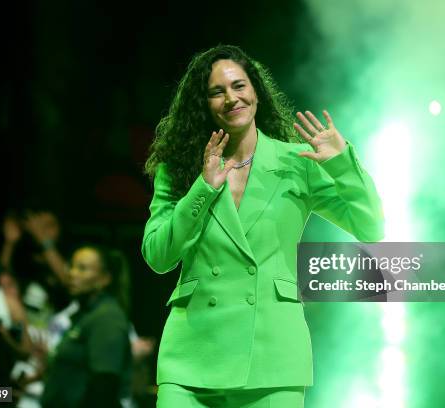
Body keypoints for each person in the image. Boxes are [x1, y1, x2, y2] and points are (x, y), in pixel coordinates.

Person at [141, 44, 385, 407]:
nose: (230, 98)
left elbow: (371, 227)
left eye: (239, 86)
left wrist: (342, 164)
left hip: (272, 357)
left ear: (256, 91)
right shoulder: (178, 167)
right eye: (216, 92)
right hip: (192, 356)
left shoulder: (296, 162)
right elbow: (158, 256)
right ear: (203, 104)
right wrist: (203, 187)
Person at [40, 245, 132, 408]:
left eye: (82, 269)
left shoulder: (107, 317)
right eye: (72, 266)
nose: (72, 274)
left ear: (104, 278)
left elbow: (104, 385)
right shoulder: (84, 314)